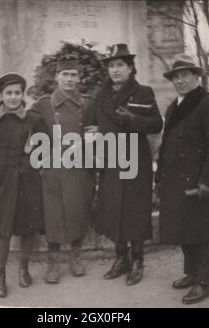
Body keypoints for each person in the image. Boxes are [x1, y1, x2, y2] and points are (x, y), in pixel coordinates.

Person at [156, 53, 209, 304]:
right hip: (176, 181)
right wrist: (159, 179)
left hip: (200, 182)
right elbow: (165, 146)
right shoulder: (174, 106)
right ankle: (192, 272)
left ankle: (204, 282)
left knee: (205, 232)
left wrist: (208, 182)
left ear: (196, 77)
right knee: (185, 228)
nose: (180, 80)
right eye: (176, 76)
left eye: (185, 75)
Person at [90, 44, 163, 285]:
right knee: (113, 208)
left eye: (120, 64)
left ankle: (138, 259)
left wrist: (134, 120)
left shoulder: (143, 91)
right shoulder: (101, 96)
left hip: (135, 161)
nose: (115, 70)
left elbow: (156, 124)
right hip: (111, 160)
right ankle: (121, 258)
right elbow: (94, 125)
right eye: (111, 65)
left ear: (131, 67)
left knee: (135, 210)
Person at [0, 73, 44, 298]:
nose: (14, 97)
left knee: (28, 226)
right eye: (9, 93)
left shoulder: (33, 119)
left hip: (28, 180)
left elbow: (47, 145)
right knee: (3, 229)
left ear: (22, 94)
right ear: (1, 95)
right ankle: (0, 275)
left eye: (17, 93)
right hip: (3, 181)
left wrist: (32, 155)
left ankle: (24, 268)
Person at [32, 57, 95, 284]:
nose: (69, 79)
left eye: (73, 75)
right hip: (53, 168)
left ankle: (76, 257)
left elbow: (96, 132)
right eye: (65, 74)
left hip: (79, 167)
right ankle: (53, 262)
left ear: (79, 78)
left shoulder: (88, 104)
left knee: (78, 210)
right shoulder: (43, 104)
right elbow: (29, 129)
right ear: (57, 77)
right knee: (54, 215)